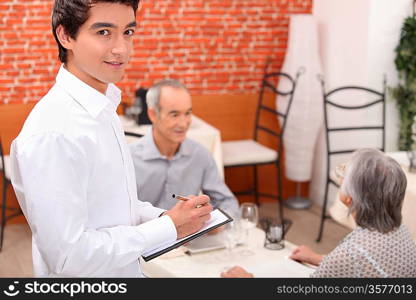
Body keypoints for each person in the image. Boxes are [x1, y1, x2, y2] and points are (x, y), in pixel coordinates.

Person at [10, 0, 212, 277]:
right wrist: (168, 227)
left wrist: (167, 218)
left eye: (128, 32)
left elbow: (113, 207)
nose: (122, 49)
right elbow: (70, 258)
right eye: (104, 32)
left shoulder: (103, 108)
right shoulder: (53, 133)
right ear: (65, 35)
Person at [221, 148, 416, 278]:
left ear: (349, 198)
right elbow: (369, 266)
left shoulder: (349, 255)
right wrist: (320, 259)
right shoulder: (403, 233)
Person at [128, 79, 240, 218]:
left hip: (191, 239)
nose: (183, 123)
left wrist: (218, 221)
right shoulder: (129, 159)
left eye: (187, 113)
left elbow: (228, 203)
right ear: (153, 115)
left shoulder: (200, 155)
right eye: (174, 114)